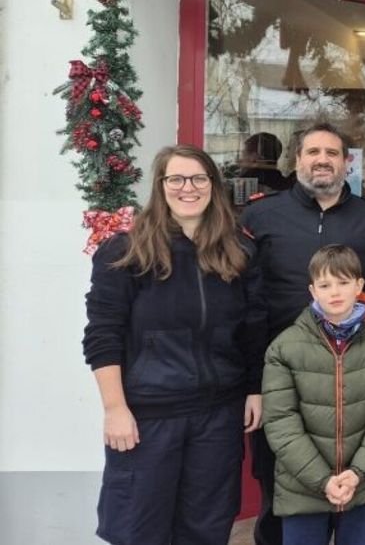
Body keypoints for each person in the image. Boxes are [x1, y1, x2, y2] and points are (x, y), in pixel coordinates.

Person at [82, 144, 264, 545]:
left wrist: (254, 388)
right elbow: (102, 334)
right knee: (139, 528)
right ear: (160, 185)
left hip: (218, 415)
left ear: (213, 187)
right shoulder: (126, 252)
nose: (188, 188)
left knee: (206, 527)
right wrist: (115, 409)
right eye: (176, 178)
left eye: (199, 178)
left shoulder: (238, 251)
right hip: (148, 417)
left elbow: (253, 327)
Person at [241, 122, 365, 545]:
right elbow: (245, 301)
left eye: (333, 153)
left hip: (358, 381)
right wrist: (251, 384)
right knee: (280, 490)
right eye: (313, 152)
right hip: (281, 379)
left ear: (347, 163)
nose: (322, 160)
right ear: (296, 161)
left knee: (359, 492)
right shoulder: (259, 215)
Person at [261, 245, 365, 545]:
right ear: (313, 291)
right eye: (325, 285)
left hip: (363, 485)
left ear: (360, 286)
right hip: (303, 489)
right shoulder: (284, 347)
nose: (334, 292)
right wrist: (322, 480)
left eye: (343, 282)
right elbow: (280, 422)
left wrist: (358, 472)